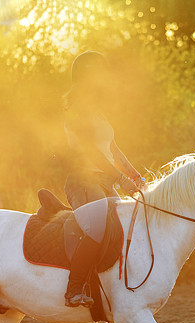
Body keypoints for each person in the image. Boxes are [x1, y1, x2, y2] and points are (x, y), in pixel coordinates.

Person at [63, 50, 143, 308]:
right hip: (83, 182)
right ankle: (74, 289)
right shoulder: (77, 111)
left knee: (124, 227)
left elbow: (114, 151)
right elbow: (91, 153)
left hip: (104, 182)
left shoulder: (98, 112)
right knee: (97, 228)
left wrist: (135, 176)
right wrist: (120, 178)